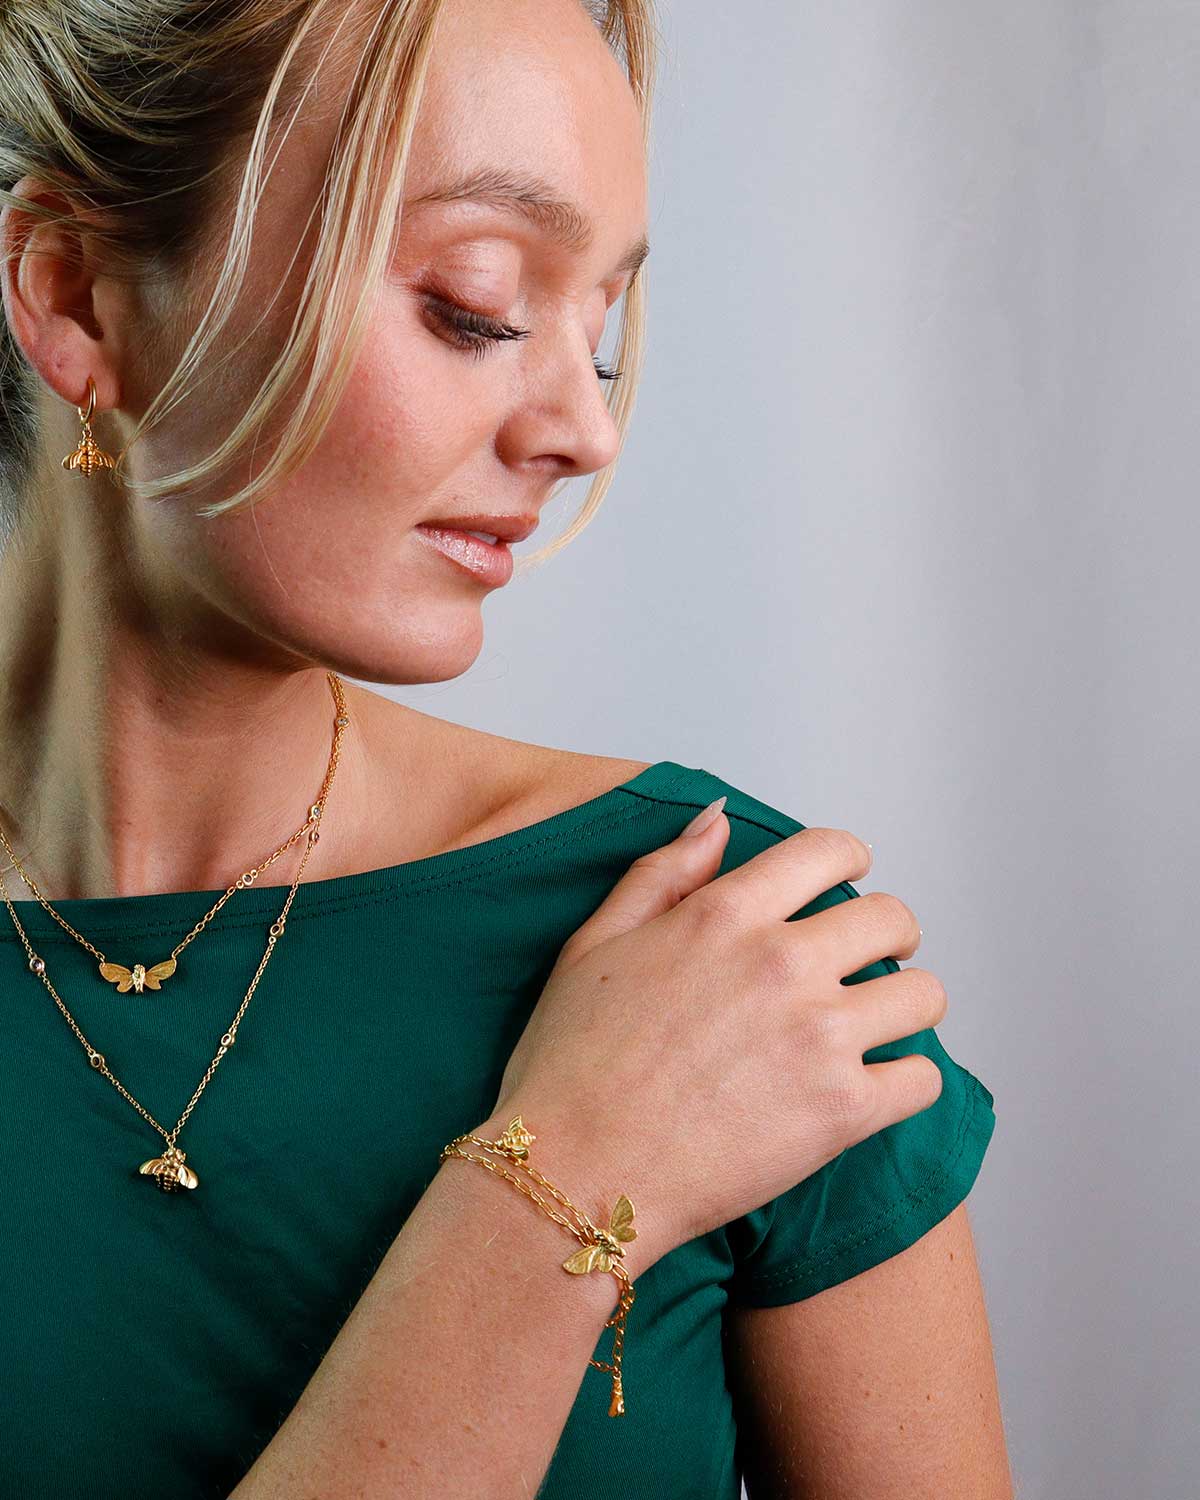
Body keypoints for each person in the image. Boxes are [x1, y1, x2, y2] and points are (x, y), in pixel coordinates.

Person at [0, 0, 1011, 1495]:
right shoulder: (668, 1049)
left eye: (596, 328)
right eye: (476, 305)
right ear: (80, 297)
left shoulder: (722, 946)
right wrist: (564, 1176)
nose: (582, 431)